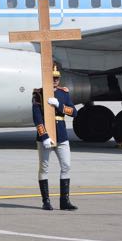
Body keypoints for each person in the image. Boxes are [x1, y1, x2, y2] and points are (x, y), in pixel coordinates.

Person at [33, 63, 78, 211]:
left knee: (67, 166)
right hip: (46, 136)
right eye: (52, 78)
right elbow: (37, 117)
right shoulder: (38, 93)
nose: (55, 81)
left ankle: (65, 201)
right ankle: (46, 201)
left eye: (57, 78)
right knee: (44, 168)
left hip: (61, 135)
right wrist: (44, 135)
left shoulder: (63, 93)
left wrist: (59, 105)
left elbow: (74, 112)